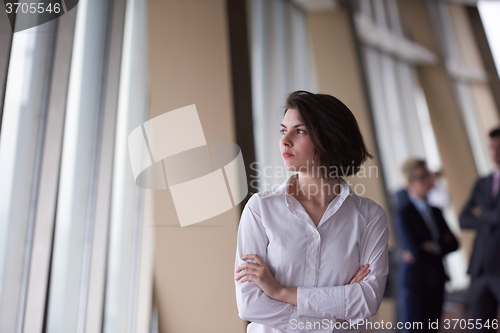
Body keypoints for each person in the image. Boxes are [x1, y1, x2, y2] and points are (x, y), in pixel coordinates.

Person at [234, 91, 390, 333]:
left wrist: (279, 292)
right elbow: (250, 305)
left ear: (329, 138)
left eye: (299, 131)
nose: (285, 141)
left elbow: (367, 300)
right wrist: (335, 319)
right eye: (283, 130)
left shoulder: (370, 217)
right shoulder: (260, 209)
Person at [396, 158, 458, 333]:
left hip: (437, 278)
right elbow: (414, 250)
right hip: (416, 282)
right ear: (410, 182)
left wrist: (431, 246)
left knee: (432, 329)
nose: (428, 181)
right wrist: (437, 245)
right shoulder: (404, 213)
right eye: (422, 177)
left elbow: (453, 243)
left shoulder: (436, 211)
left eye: (428, 176)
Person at [460, 127, 500, 331]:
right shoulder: (483, 182)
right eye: (492, 148)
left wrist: (481, 213)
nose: (495, 153)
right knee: (480, 326)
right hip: (480, 267)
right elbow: (463, 219)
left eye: (499, 148)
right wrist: (491, 216)